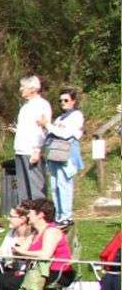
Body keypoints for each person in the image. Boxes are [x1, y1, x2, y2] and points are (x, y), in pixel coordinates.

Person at [9, 198, 71, 290]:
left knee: (13, 283)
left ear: (40, 214)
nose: (28, 215)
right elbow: (21, 249)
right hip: (38, 270)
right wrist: (18, 248)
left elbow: (45, 254)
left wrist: (21, 252)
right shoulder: (35, 232)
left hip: (57, 273)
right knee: (4, 278)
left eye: (30, 213)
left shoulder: (51, 231)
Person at [46, 88, 85, 225]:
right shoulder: (59, 118)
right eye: (60, 100)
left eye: (66, 100)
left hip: (67, 154)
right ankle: (59, 215)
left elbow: (65, 134)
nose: (63, 103)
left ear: (73, 101)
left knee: (64, 185)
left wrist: (47, 125)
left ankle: (67, 216)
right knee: (55, 185)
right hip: (55, 153)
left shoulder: (76, 115)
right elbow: (51, 134)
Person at [13, 75, 52, 202]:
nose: (20, 89)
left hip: (32, 151)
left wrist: (37, 149)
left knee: (36, 187)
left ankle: (41, 216)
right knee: (23, 190)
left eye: (23, 87)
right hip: (20, 150)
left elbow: (43, 129)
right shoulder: (25, 106)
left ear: (33, 89)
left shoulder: (42, 105)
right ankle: (26, 217)